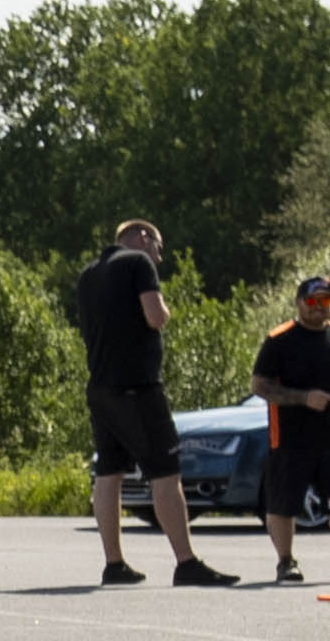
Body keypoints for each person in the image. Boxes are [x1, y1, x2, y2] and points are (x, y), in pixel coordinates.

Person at [73, 219, 235, 587]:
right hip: (137, 387)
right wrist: (165, 311)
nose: (157, 260)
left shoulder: (87, 275)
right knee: (165, 471)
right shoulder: (137, 263)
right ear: (143, 238)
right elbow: (154, 315)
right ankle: (186, 562)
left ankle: (114, 563)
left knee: (109, 473)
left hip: (100, 387)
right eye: (158, 250)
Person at [254, 274, 330, 584]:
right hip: (290, 435)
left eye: (325, 301)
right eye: (312, 301)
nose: (318, 308)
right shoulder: (279, 339)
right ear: (298, 303)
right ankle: (286, 561)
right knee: (284, 502)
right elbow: (260, 385)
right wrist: (302, 398)